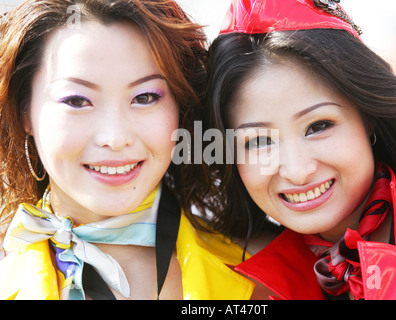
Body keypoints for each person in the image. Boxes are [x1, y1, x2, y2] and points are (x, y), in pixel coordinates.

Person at [0, 0, 254, 300]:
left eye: (145, 97)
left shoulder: (263, 272)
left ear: (179, 106)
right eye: (77, 100)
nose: (116, 138)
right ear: (24, 111)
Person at [204, 0, 396, 299]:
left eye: (318, 126)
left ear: (368, 117)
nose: (297, 171)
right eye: (258, 141)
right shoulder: (238, 284)